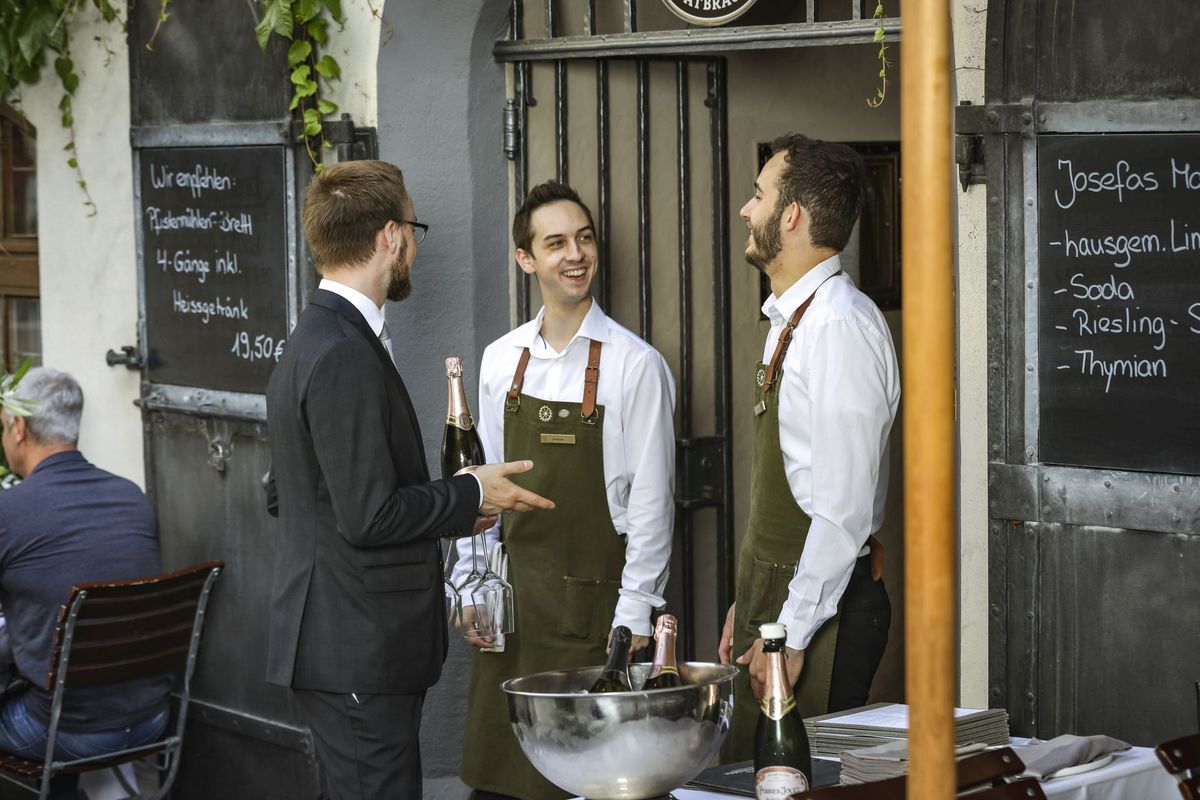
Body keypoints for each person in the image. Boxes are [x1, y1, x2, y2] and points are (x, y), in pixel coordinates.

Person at [265, 160, 554, 800]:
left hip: (342, 645)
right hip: (356, 648)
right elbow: (367, 515)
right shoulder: (342, 350)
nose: (414, 249)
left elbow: (289, 491)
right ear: (391, 236)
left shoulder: (315, 337)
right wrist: (471, 492)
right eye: (414, 232)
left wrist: (452, 508)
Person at [451, 181, 676, 800]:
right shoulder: (501, 361)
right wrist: (472, 587)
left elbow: (653, 510)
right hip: (514, 619)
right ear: (527, 259)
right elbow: (483, 492)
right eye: (556, 243)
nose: (575, 254)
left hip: (596, 620)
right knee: (502, 786)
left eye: (584, 238)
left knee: (594, 782)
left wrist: (631, 621)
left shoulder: (636, 366)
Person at [717, 134, 900, 761]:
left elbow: (842, 513)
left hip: (821, 614)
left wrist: (787, 637)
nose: (747, 209)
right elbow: (795, 485)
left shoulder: (839, 327)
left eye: (759, 195)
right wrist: (751, 601)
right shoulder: (794, 319)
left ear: (791, 216)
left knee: (799, 777)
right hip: (782, 599)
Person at [0, 368, 168, 800]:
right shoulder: (131, 497)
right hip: (152, 719)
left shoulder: (10, 511)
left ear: (19, 428)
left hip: (64, 729)